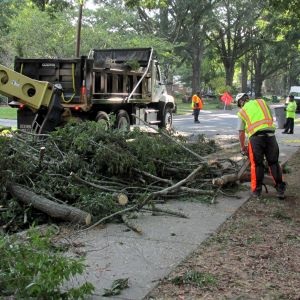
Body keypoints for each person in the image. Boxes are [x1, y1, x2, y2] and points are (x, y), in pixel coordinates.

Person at [236, 93, 286, 199]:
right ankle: (280, 189)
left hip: (256, 138)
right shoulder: (262, 102)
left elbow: (241, 132)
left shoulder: (242, 111)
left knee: (257, 164)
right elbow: (270, 116)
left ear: (241, 102)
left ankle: (256, 191)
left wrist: (242, 147)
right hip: (270, 136)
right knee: (274, 163)